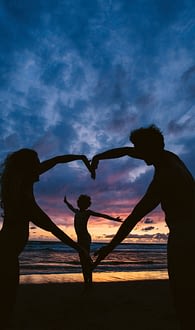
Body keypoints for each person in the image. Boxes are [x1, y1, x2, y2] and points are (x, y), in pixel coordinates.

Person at [91, 125, 195, 330]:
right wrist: (99, 157)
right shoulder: (170, 156)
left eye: (140, 148)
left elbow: (134, 218)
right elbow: (126, 151)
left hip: (184, 237)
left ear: (151, 148)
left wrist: (108, 249)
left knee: (183, 295)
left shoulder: (165, 175)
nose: (136, 152)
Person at [0, 148, 92, 329]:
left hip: (8, 253)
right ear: (27, 169)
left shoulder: (21, 183)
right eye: (36, 166)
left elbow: (56, 159)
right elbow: (50, 226)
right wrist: (77, 247)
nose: (40, 172)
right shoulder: (22, 198)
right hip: (6, 255)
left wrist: (80, 156)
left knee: (6, 303)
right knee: (6, 304)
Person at [63, 194, 122, 289]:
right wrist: (66, 202)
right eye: (79, 202)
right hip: (79, 240)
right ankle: (86, 282)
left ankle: (89, 282)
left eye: (83, 203)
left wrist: (114, 219)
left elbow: (102, 215)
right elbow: (71, 207)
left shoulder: (87, 213)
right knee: (83, 262)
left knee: (86, 261)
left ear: (86, 205)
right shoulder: (76, 212)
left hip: (85, 239)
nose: (80, 204)